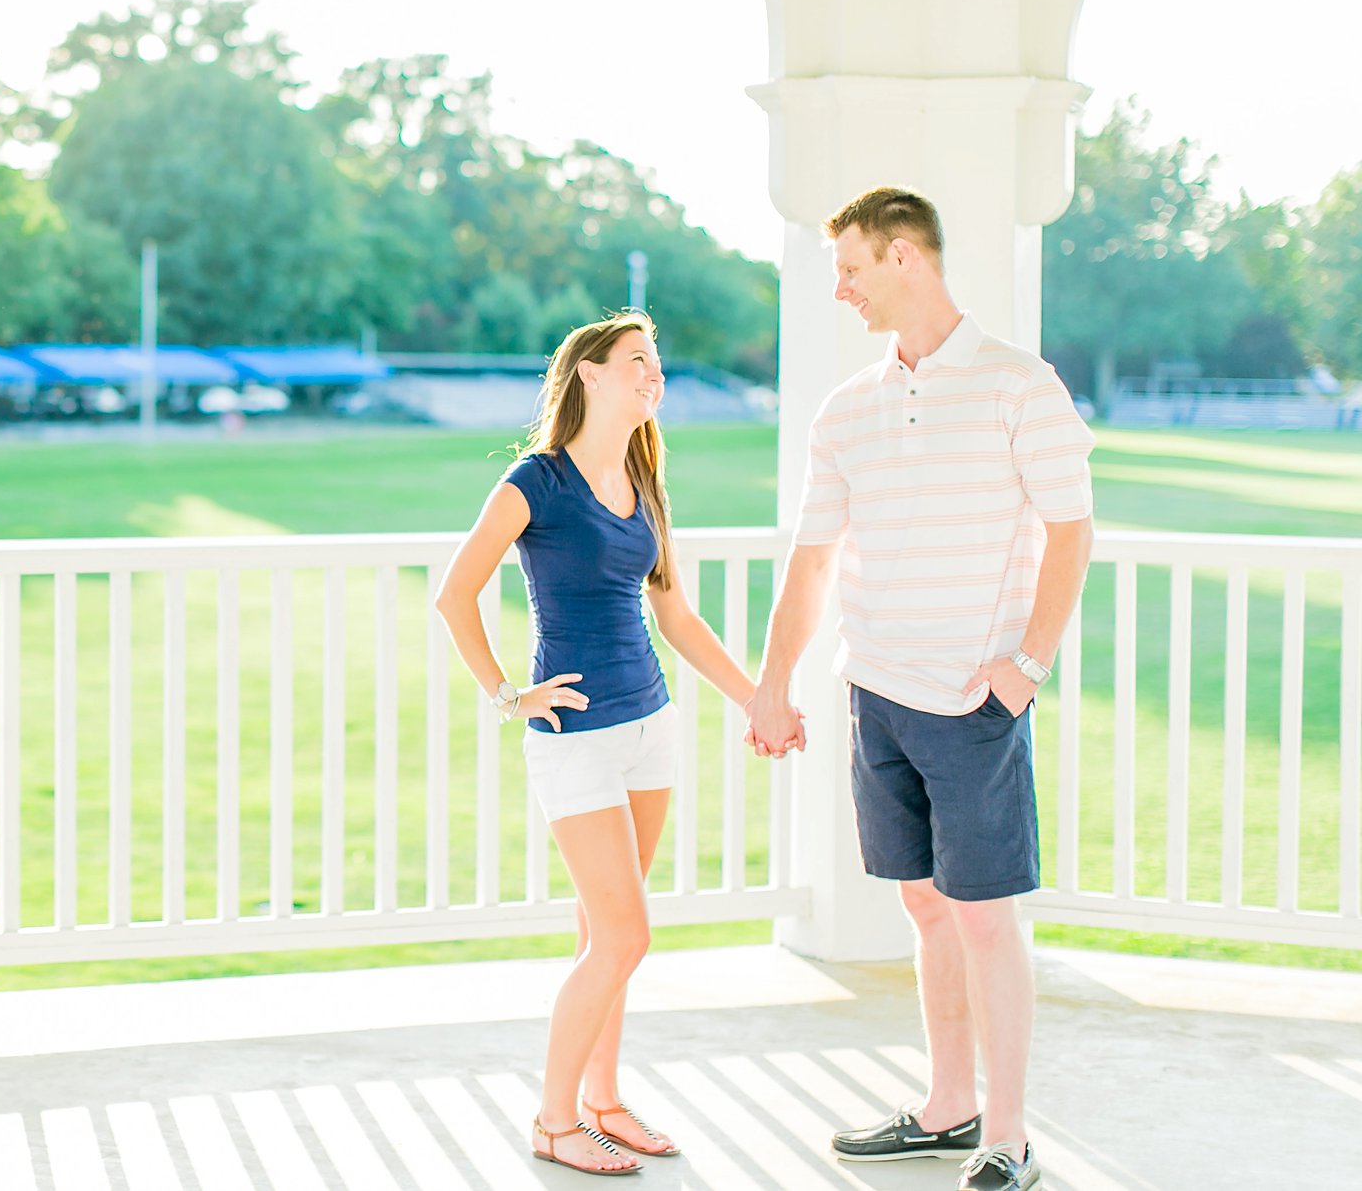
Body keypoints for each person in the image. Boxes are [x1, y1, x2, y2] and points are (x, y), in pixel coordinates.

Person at [745, 188, 1095, 1191]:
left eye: (850, 268)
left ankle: (1008, 1137)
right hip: (877, 694)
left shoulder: (1017, 387)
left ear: (903, 256)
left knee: (982, 917)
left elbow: (1070, 530)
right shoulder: (845, 408)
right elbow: (810, 561)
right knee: (924, 909)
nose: (840, 289)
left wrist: (1024, 665)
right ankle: (947, 1108)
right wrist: (774, 685)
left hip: (971, 702)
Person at [434, 314, 773, 1178]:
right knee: (624, 937)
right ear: (587, 373)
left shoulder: (646, 478)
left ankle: (603, 1100)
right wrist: (509, 694)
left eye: (656, 364)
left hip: (650, 725)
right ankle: (554, 1121)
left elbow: (678, 616)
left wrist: (758, 697)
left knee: (603, 929)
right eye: (634, 362)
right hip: (575, 735)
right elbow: (454, 594)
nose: (651, 376)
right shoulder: (536, 481)